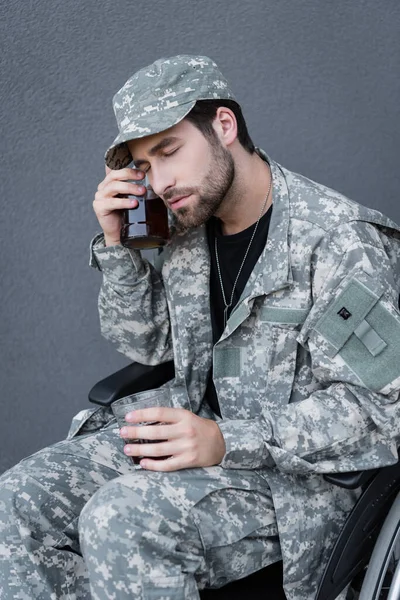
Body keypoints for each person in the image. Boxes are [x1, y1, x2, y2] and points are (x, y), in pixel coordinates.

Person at [0, 54, 400, 600]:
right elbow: (147, 343)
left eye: (169, 151)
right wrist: (120, 248)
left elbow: (384, 410)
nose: (159, 182)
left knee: (122, 520)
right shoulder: (185, 227)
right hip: (192, 430)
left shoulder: (337, 241)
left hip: (297, 481)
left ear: (224, 127)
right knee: (16, 501)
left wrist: (224, 439)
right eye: (143, 166)